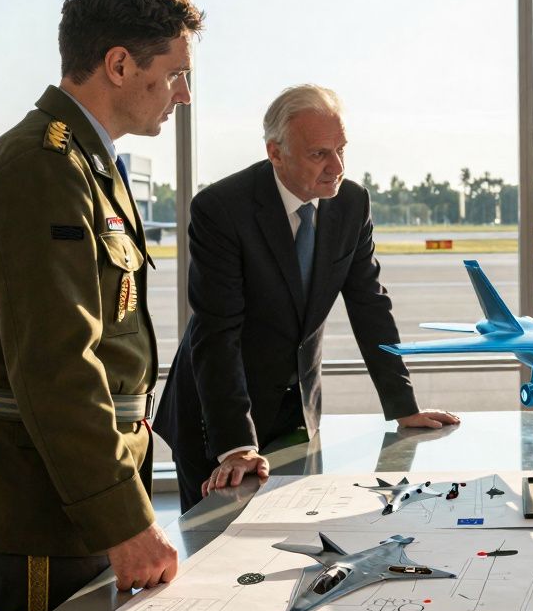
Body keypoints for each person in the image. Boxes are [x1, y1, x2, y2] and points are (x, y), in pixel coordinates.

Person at [0, 0, 203, 611]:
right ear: (118, 64)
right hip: (41, 514)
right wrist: (123, 521)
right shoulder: (41, 169)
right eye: (176, 73)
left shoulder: (83, 162)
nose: (183, 95)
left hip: (68, 503)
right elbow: (58, 370)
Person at [154, 84, 459, 512]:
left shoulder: (351, 203)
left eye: (341, 149)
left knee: (295, 540)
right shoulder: (221, 208)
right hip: (218, 418)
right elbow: (217, 332)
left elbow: (369, 303)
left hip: (298, 411)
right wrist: (236, 445)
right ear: (275, 153)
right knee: (218, 554)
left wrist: (402, 406)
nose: (336, 166)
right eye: (319, 154)